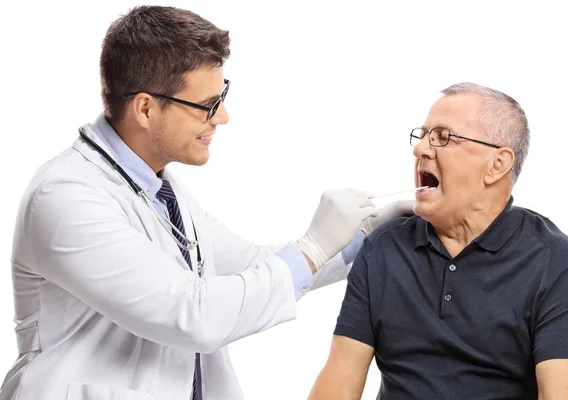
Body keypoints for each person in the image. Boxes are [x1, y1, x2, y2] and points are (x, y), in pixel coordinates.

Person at [0, 6, 413, 400]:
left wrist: (365, 237)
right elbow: (191, 313)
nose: (223, 116)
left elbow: (250, 264)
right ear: (145, 108)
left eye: (222, 96)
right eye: (207, 105)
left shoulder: (164, 191)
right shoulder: (67, 196)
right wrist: (312, 248)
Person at [308, 83, 568, 400]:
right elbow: (340, 379)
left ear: (497, 164)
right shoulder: (385, 247)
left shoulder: (552, 259)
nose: (420, 149)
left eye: (443, 137)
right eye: (423, 135)